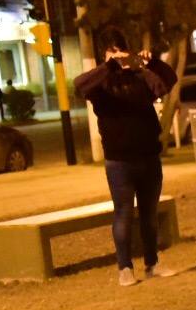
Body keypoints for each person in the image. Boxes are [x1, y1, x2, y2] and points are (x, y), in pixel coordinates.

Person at [73, 30, 177, 287]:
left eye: (121, 50)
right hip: (119, 161)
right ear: (105, 56)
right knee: (123, 213)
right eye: (112, 51)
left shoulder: (141, 79)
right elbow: (79, 85)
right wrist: (109, 66)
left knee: (149, 214)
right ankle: (125, 268)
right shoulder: (100, 86)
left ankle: (152, 264)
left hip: (148, 156)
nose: (118, 55)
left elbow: (167, 82)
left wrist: (149, 62)